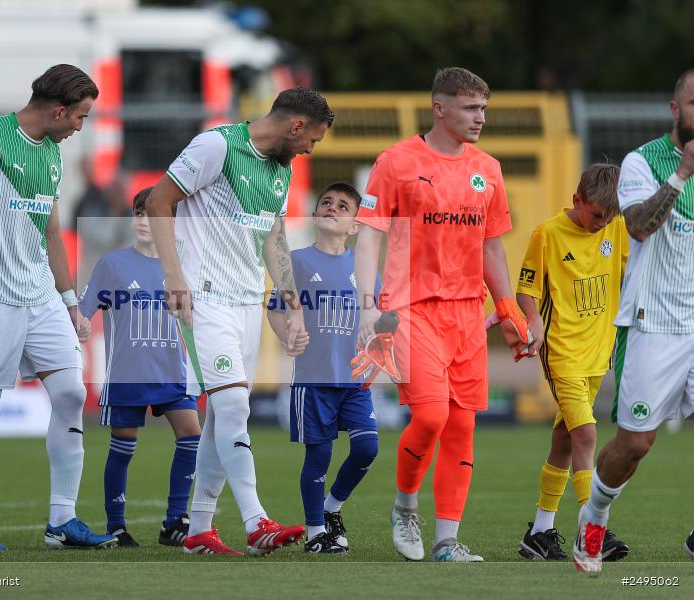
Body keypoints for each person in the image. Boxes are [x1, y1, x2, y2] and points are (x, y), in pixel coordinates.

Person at [354, 67, 533, 563]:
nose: (481, 118)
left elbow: (491, 247)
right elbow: (369, 231)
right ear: (440, 108)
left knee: (460, 427)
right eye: (471, 108)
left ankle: (447, 542)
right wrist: (369, 303)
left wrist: (506, 306)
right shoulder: (396, 162)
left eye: (483, 109)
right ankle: (406, 504)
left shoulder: (488, 169)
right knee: (430, 415)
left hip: (466, 315)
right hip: (408, 309)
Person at [146, 87, 333, 555]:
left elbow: (273, 237)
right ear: (295, 127)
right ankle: (256, 521)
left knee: (221, 419)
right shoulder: (218, 146)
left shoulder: (281, 169)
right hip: (202, 298)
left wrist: (291, 301)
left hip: (248, 302)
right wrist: (173, 276)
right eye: (312, 139)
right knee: (232, 408)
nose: (311, 149)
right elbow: (158, 202)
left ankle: (198, 532)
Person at [0, 64, 116, 551]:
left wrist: (69, 300)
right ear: (58, 111)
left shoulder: (53, 154)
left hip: (40, 296)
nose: (81, 126)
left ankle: (62, 519)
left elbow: (51, 232)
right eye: (79, 117)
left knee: (72, 395)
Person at [574, 70, 694, 574]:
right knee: (634, 444)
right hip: (655, 323)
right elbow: (640, 226)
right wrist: (683, 172)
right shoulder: (643, 161)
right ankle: (594, 514)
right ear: (675, 108)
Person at [514, 164, 629, 562]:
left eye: (609, 217)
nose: (602, 223)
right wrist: (532, 321)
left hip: (600, 354)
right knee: (585, 435)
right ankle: (592, 527)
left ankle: (540, 533)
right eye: (596, 214)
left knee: (564, 440)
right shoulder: (547, 234)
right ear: (577, 200)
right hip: (562, 353)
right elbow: (526, 289)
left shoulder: (617, 229)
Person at [78, 186, 201, 548]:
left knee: (191, 435)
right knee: (123, 444)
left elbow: (196, 317)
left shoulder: (183, 266)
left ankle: (174, 521)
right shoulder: (113, 264)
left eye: (152, 214)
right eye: (138, 213)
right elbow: (84, 311)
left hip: (172, 371)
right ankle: (116, 524)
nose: (144, 221)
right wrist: (82, 324)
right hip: (127, 373)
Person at [266, 182, 380, 554]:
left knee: (367, 448)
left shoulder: (363, 268)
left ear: (355, 225)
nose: (332, 207)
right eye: (326, 202)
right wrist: (287, 336)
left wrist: (380, 345)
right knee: (320, 454)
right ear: (316, 215)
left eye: (343, 206)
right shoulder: (296, 261)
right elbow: (276, 310)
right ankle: (316, 532)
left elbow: (378, 318)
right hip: (314, 379)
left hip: (355, 378)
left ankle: (332, 507)